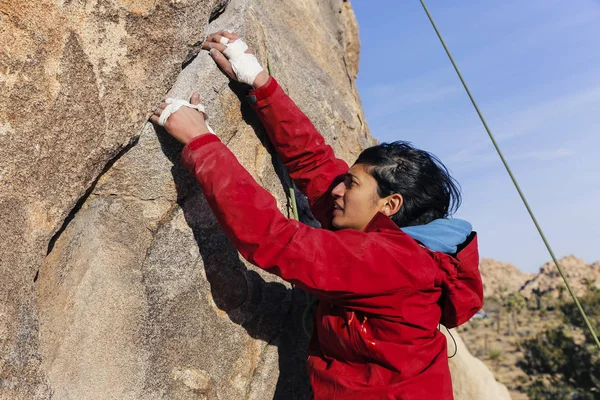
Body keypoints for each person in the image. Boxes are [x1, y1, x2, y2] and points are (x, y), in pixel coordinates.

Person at [150, 31, 483, 400]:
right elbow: (318, 166)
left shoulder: (394, 262)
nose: (338, 191)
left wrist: (202, 143)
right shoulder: (399, 238)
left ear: (390, 205)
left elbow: (274, 239)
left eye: (351, 186)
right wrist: (259, 82)